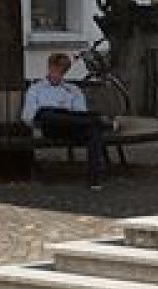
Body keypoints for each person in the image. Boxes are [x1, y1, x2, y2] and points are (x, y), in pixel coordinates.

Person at [23, 51, 111, 189]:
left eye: (62, 70)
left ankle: (94, 179)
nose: (57, 73)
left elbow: (80, 113)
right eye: (55, 69)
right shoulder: (36, 89)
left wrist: (68, 114)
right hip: (51, 127)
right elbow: (28, 116)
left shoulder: (72, 90)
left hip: (73, 128)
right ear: (49, 67)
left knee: (93, 130)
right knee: (46, 113)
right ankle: (98, 120)